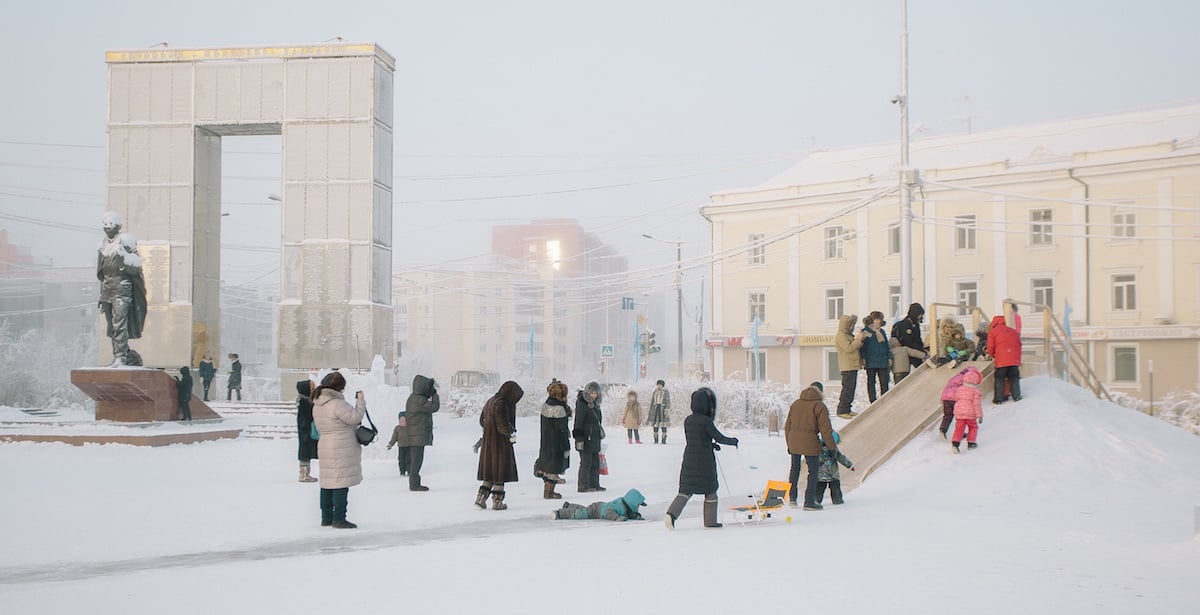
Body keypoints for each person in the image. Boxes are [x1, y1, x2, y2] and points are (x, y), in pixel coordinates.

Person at [664, 387, 738, 529]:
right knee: (710, 491)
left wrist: (711, 445)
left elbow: (698, 438)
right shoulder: (706, 421)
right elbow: (719, 437)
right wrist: (733, 441)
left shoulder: (688, 420)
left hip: (689, 458)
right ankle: (710, 521)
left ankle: (671, 514)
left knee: (685, 491)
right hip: (704, 462)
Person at [312, 371, 366, 528]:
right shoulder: (336, 403)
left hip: (325, 444)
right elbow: (355, 418)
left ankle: (326, 517)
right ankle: (339, 518)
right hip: (340, 446)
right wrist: (360, 401)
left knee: (328, 482)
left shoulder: (318, 404)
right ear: (338, 387)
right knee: (341, 483)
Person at [96, 211, 147, 367]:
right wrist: (101, 294)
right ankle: (118, 355)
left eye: (110, 225)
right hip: (107, 288)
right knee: (111, 326)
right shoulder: (103, 244)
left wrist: (123, 259)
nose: (108, 228)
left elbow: (137, 265)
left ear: (117, 226)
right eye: (105, 225)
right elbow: (102, 272)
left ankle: (121, 357)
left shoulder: (125, 242)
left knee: (120, 324)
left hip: (122, 287)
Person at [784, 382, 838, 511]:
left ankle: (792, 498)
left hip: (794, 441)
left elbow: (787, 426)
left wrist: (789, 444)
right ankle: (809, 502)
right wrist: (832, 448)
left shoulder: (796, 404)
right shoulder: (819, 406)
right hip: (810, 441)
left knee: (794, 469)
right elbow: (826, 430)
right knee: (813, 472)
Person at [475, 381, 524, 510]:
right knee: (499, 472)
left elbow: (482, 420)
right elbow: (503, 426)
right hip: (500, 444)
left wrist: (489, 429)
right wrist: (511, 432)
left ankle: (481, 498)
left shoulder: (491, 401)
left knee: (490, 472)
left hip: (488, 442)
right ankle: (497, 502)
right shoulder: (502, 404)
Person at [534, 379, 572, 500]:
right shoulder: (560, 409)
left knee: (548, 465)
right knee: (554, 466)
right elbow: (562, 430)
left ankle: (547, 490)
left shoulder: (546, 405)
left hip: (546, 440)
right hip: (557, 442)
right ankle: (549, 492)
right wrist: (566, 447)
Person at [404, 375, 440, 491]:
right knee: (417, 460)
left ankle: (414, 483)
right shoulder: (418, 399)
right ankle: (414, 484)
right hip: (417, 435)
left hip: (416, 434)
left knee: (416, 459)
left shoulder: (414, 397)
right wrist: (435, 395)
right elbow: (434, 407)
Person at [572, 381, 606, 493]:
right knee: (586, 463)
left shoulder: (596, 405)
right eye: (592, 393)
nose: (594, 395)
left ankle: (594, 484)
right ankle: (583, 486)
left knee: (595, 462)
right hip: (586, 438)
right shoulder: (582, 404)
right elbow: (578, 423)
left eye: (596, 393)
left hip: (595, 438)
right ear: (587, 392)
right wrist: (579, 439)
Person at [834, 314, 868, 418]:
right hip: (847, 366)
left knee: (851, 388)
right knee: (847, 388)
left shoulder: (848, 335)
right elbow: (849, 348)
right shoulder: (840, 336)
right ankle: (842, 409)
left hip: (852, 365)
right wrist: (859, 340)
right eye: (850, 325)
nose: (852, 327)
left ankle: (847, 408)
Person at [986, 315, 1023, 404]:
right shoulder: (1012, 331)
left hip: (1001, 360)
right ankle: (1016, 396)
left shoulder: (993, 332)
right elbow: (1019, 345)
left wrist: (993, 355)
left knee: (1000, 378)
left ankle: (998, 399)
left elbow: (990, 347)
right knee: (1014, 378)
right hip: (1014, 360)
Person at [552, 488, 646, 521]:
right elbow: (609, 512)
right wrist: (616, 517)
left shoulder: (626, 506)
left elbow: (630, 515)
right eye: (637, 506)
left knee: (584, 510)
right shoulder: (620, 506)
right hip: (598, 510)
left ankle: (568, 506)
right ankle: (559, 513)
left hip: (599, 507)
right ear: (631, 504)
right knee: (580, 514)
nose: (638, 508)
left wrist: (637, 516)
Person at [815, 431, 855, 505]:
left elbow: (840, 457)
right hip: (828, 473)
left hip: (826, 474)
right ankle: (834, 500)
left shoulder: (825, 449)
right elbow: (840, 457)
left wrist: (849, 465)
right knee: (828, 488)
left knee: (827, 488)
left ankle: (820, 500)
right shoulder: (824, 448)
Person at [859, 311, 891, 403]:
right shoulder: (866, 331)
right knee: (871, 382)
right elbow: (862, 346)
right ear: (872, 320)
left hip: (882, 360)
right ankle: (872, 401)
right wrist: (863, 358)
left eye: (879, 320)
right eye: (876, 319)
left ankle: (885, 400)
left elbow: (886, 345)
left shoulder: (882, 331)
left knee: (884, 382)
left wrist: (889, 357)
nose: (877, 322)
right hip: (871, 360)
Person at [951, 367, 984, 453]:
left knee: (959, 428)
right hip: (970, 414)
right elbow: (977, 404)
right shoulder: (975, 392)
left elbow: (955, 398)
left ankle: (955, 443)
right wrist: (980, 415)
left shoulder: (959, 389)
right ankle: (971, 443)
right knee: (973, 427)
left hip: (959, 412)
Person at [891, 302, 927, 380]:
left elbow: (918, 339)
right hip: (905, 353)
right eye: (919, 314)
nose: (920, 317)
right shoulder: (905, 325)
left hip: (913, 351)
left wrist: (922, 349)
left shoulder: (915, 324)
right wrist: (921, 351)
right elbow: (909, 342)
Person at [939, 367, 972, 440]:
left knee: (947, 415)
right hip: (955, 399)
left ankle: (943, 429)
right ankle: (960, 433)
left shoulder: (955, 377)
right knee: (960, 417)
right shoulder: (965, 379)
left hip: (945, 398)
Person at [296, 379, 318, 482]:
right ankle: (303, 475)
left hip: (305, 429)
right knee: (305, 452)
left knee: (306, 452)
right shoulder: (305, 401)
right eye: (312, 388)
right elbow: (309, 415)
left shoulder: (303, 400)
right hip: (306, 429)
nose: (313, 390)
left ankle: (305, 474)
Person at [647, 379, 671, 444]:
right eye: (658, 385)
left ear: (662, 385)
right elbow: (652, 401)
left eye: (660, 385)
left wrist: (667, 409)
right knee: (655, 424)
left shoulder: (665, 392)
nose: (659, 386)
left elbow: (668, 401)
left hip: (662, 409)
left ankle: (663, 439)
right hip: (655, 409)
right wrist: (651, 409)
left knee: (663, 424)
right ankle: (655, 439)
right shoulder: (655, 391)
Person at [385, 411, 409, 476]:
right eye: (401, 420)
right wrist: (390, 444)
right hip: (401, 446)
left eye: (404, 420)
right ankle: (402, 471)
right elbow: (394, 437)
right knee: (401, 459)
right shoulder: (397, 428)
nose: (402, 422)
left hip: (409, 446)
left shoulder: (410, 428)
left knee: (409, 459)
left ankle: (409, 471)